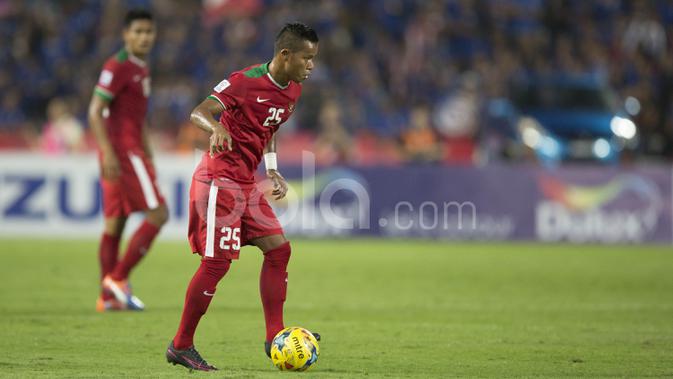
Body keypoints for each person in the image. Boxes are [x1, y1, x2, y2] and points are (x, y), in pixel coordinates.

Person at [165, 23, 320, 371]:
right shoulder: (243, 81)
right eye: (307, 59)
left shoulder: (292, 90)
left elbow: (270, 127)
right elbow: (199, 112)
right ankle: (181, 345)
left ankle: (274, 336)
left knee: (279, 250)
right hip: (219, 181)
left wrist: (273, 167)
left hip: (245, 184)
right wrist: (216, 126)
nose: (311, 66)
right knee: (216, 264)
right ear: (285, 55)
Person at [88, 9, 168, 312]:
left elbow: (138, 118)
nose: (144, 37)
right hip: (123, 151)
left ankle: (107, 297)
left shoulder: (140, 67)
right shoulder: (117, 65)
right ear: (126, 34)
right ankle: (117, 280)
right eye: (138, 32)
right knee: (159, 213)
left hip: (131, 150)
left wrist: (149, 153)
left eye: (149, 32)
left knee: (116, 224)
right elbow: (95, 111)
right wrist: (108, 151)